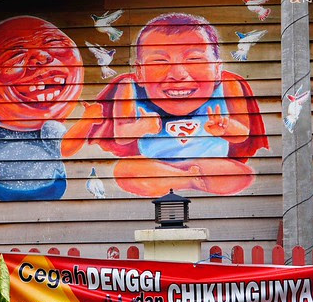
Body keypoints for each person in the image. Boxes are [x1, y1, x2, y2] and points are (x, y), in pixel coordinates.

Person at [89, 13, 268, 196]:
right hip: (155, 165)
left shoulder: (228, 85)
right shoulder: (129, 88)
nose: (178, 74)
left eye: (194, 59)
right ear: (140, 72)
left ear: (216, 69)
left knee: (241, 174)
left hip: (209, 163)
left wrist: (226, 127)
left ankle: (177, 180)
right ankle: (190, 179)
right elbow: (121, 135)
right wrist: (141, 126)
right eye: (160, 61)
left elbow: (243, 133)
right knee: (126, 170)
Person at [0, 16, 101, 201]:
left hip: (50, 187)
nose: (42, 57)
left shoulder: (47, 128)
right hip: (6, 190)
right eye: (15, 55)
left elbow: (65, 147)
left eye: (53, 43)